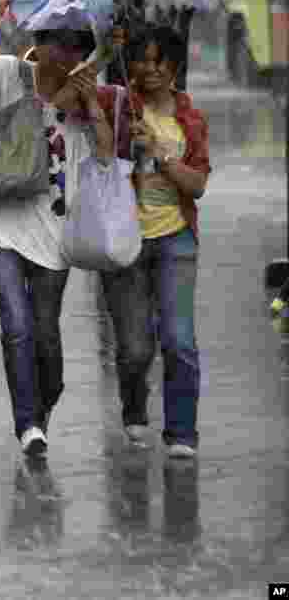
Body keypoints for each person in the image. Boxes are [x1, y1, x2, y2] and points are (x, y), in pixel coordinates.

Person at [0, 0, 116, 457]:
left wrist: (94, 106)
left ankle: (38, 412)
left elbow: (104, 156)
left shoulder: (84, 94)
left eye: (73, 46)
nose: (61, 53)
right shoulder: (9, 74)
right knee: (17, 326)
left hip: (54, 237)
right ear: (37, 41)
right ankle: (28, 425)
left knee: (47, 339)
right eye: (54, 41)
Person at [97, 23, 210, 459]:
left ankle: (182, 432)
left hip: (175, 238)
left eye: (158, 61)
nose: (148, 68)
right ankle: (134, 409)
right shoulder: (120, 102)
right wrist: (105, 55)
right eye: (142, 59)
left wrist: (160, 155)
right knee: (134, 349)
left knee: (179, 340)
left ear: (175, 66)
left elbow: (196, 185)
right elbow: (69, 98)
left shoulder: (190, 118)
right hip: (124, 239)